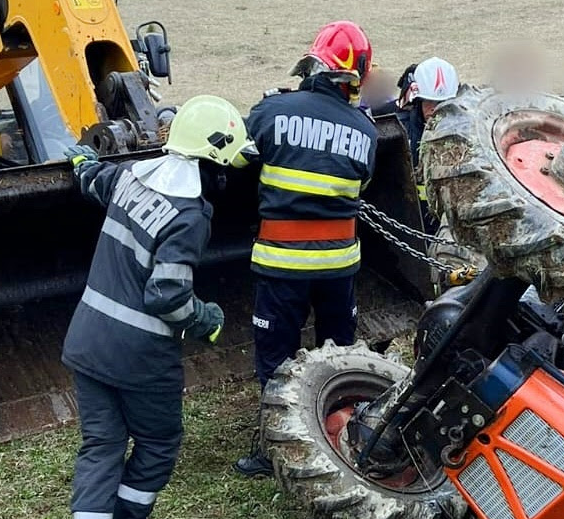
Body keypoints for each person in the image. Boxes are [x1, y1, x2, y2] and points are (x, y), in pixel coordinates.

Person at [62, 95, 255, 519]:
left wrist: (82, 163)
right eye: (227, 167)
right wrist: (207, 320)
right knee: (157, 444)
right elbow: (167, 295)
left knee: (103, 444)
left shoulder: (133, 175)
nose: (227, 177)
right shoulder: (189, 215)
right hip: (140, 358)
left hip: (87, 343)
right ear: (212, 160)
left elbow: (97, 180)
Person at [233, 20, 377, 478]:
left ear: (312, 65)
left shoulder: (271, 111)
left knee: (278, 362)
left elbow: (237, 160)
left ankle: (276, 451)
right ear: (355, 79)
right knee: (337, 356)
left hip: (282, 265)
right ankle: (340, 437)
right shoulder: (365, 131)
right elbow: (361, 185)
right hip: (339, 268)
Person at [394, 57, 460, 235]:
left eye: (442, 104)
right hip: (409, 224)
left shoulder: (464, 134)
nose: (435, 110)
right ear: (417, 102)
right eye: (430, 103)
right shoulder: (399, 131)